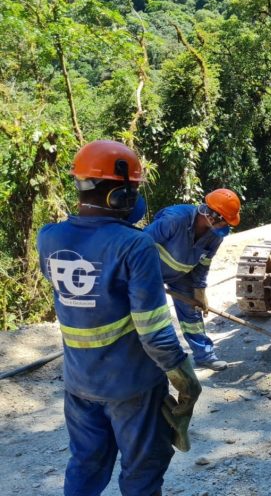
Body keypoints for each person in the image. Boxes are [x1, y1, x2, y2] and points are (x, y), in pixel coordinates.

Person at [37, 140, 201, 496]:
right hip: (132, 388)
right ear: (121, 196)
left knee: (85, 466)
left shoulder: (48, 238)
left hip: (79, 384)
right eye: (134, 190)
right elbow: (154, 330)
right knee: (142, 472)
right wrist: (184, 377)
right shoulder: (134, 245)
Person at [144, 188, 241, 371]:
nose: (226, 227)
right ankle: (152, 363)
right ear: (212, 216)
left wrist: (200, 291)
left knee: (192, 314)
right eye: (225, 222)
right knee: (152, 316)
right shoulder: (174, 220)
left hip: (182, 276)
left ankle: (205, 356)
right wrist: (144, 277)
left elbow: (204, 263)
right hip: (150, 273)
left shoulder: (214, 236)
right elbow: (140, 245)